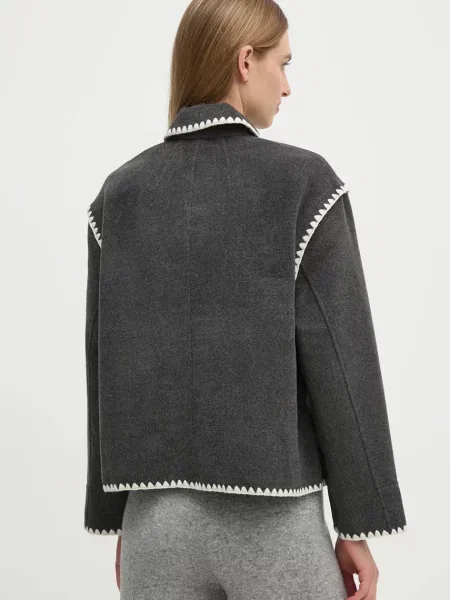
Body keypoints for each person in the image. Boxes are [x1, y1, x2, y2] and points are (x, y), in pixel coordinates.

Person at [83, 1, 407, 598]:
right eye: (283, 64)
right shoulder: (304, 185)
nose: (286, 86)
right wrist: (359, 522)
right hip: (274, 526)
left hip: (156, 527)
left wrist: (118, 515)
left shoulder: (118, 195)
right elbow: (343, 362)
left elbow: (105, 363)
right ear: (245, 60)